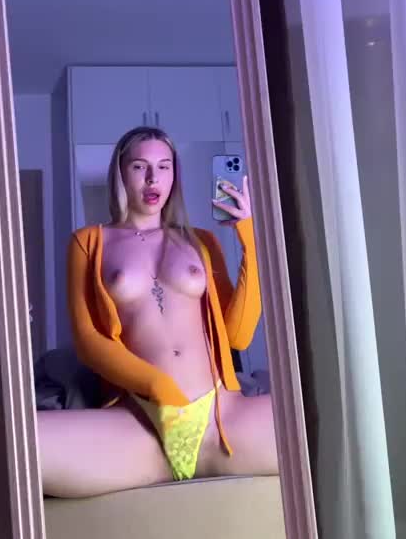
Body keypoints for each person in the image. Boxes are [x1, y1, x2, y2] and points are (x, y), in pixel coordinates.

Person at [38, 126, 278, 497]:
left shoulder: (201, 241)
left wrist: (251, 239)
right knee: (16, 440)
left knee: (337, 419)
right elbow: (88, 340)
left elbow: (238, 335)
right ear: (120, 173)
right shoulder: (88, 242)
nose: (153, 178)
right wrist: (159, 387)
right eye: (140, 167)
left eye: (164, 167)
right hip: (141, 422)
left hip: (222, 418)